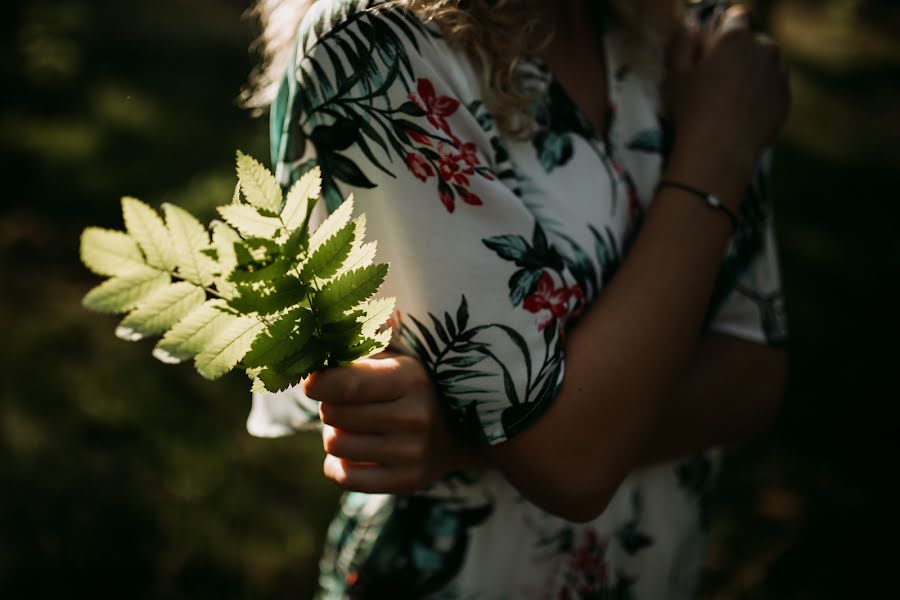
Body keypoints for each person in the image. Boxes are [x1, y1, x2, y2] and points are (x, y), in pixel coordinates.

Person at [244, 0, 789, 597]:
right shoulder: (377, 41)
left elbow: (752, 374)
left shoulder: (689, 32)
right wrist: (716, 154)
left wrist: (474, 440)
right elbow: (573, 465)